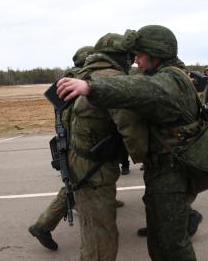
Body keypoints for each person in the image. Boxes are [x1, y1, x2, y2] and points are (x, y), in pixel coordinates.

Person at [57, 25, 201, 261]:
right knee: (160, 241)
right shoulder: (162, 75)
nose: (136, 61)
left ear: (156, 54)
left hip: (172, 171)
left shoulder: (170, 80)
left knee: (172, 244)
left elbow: (137, 88)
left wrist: (91, 86)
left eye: (140, 54)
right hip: (163, 172)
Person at [56, 34, 147, 260]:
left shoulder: (83, 75)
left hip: (78, 160)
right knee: (101, 236)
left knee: (91, 228)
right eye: (130, 57)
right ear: (122, 57)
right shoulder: (114, 81)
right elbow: (130, 127)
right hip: (95, 169)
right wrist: (145, 157)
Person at [28, 46, 95, 251]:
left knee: (78, 182)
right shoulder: (83, 81)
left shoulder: (63, 81)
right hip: (80, 143)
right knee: (75, 184)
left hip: (66, 139)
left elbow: (59, 113)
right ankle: (42, 226)